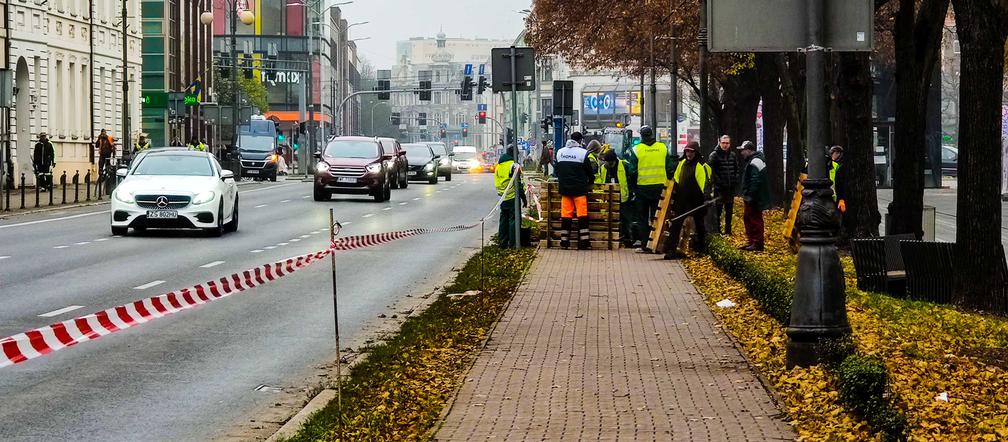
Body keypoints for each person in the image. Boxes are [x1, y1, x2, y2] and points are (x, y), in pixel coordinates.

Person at [626, 125, 674, 251]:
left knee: (642, 217)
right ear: (652, 134)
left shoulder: (636, 149)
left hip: (642, 188)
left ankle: (645, 244)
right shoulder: (662, 147)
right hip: (660, 187)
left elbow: (632, 171)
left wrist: (633, 187)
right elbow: (669, 168)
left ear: (641, 136)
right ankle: (656, 244)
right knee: (657, 216)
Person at [664, 141, 712, 259]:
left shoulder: (702, 165)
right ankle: (671, 250)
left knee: (700, 226)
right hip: (682, 200)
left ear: (696, 152)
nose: (689, 154)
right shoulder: (682, 163)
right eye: (687, 151)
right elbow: (676, 179)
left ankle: (701, 249)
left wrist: (706, 198)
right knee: (676, 224)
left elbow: (706, 184)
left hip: (696, 201)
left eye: (691, 151)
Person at [555, 132, 595, 249]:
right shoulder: (583, 154)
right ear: (580, 140)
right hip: (579, 191)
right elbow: (590, 172)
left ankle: (564, 242)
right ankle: (584, 243)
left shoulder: (560, 152)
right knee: (582, 216)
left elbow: (557, 171)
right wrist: (590, 182)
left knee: (566, 216)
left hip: (565, 191)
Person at [599, 150, 636, 248]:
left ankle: (628, 239)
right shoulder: (603, 168)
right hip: (609, 198)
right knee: (612, 219)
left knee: (626, 219)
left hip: (623, 198)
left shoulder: (624, 165)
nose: (608, 164)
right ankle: (614, 238)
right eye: (606, 162)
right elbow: (600, 180)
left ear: (614, 160)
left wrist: (632, 192)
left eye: (609, 162)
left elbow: (632, 178)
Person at [739, 141, 771, 251]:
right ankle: (752, 241)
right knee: (749, 218)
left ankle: (757, 243)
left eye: (743, 150)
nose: (742, 153)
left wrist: (750, 195)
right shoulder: (755, 160)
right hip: (754, 196)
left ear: (749, 150)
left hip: (754, 198)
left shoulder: (754, 161)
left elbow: (755, 180)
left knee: (754, 219)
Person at [494, 146, 526, 248]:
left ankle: (502, 242)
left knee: (503, 220)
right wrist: (524, 199)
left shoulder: (499, 166)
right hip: (513, 197)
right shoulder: (513, 166)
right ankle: (513, 243)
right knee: (514, 220)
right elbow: (518, 184)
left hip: (502, 197)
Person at [708, 134, 740, 235]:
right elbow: (710, 171)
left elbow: (736, 168)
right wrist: (717, 182)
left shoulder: (732, 155)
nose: (725, 145)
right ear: (719, 143)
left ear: (730, 144)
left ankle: (728, 230)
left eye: (727, 143)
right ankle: (717, 230)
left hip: (730, 187)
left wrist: (735, 179)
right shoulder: (714, 155)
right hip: (719, 188)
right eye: (723, 143)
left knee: (729, 211)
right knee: (718, 210)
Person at [830, 145, 847, 213]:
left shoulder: (837, 166)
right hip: (834, 197)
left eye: (836, 153)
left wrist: (841, 198)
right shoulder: (833, 165)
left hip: (836, 197)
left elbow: (840, 184)